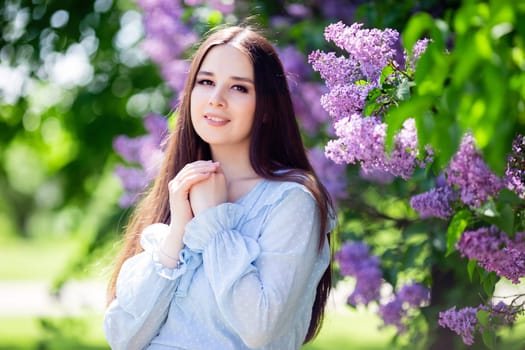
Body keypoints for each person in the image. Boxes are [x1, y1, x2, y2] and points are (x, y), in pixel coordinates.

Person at [103, 24, 335, 350]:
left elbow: (260, 329)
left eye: (239, 88)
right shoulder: (180, 191)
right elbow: (122, 337)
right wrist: (179, 229)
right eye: (206, 82)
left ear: (268, 108)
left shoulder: (291, 202)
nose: (216, 99)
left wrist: (212, 223)